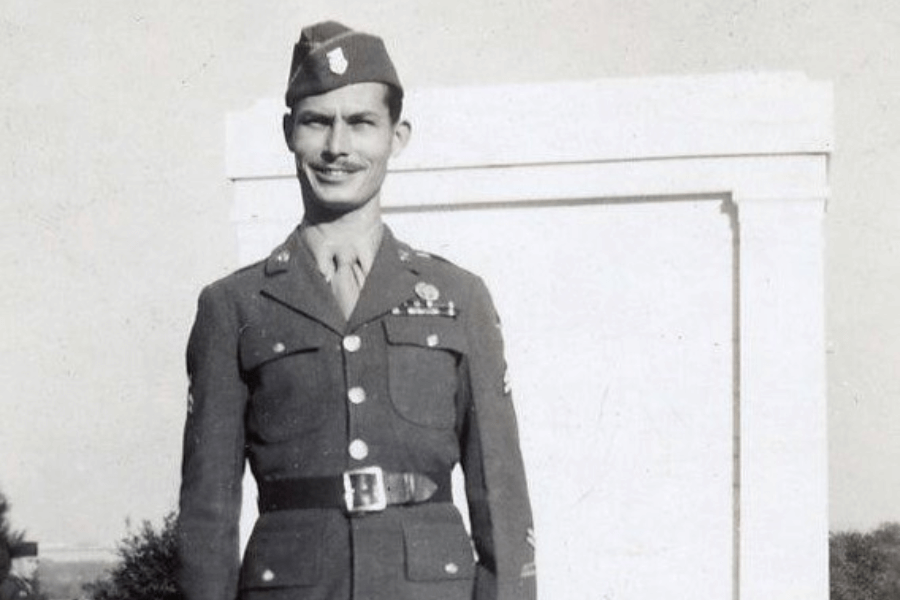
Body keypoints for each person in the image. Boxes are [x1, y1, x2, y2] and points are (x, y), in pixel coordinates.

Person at [176, 20, 535, 600]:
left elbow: (502, 493)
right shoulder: (233, 305)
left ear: (397, 136)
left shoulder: (459, 297)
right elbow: (207, 513)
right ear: (290, 133)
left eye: (361, 123)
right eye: (318, 122)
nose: (337, 147)